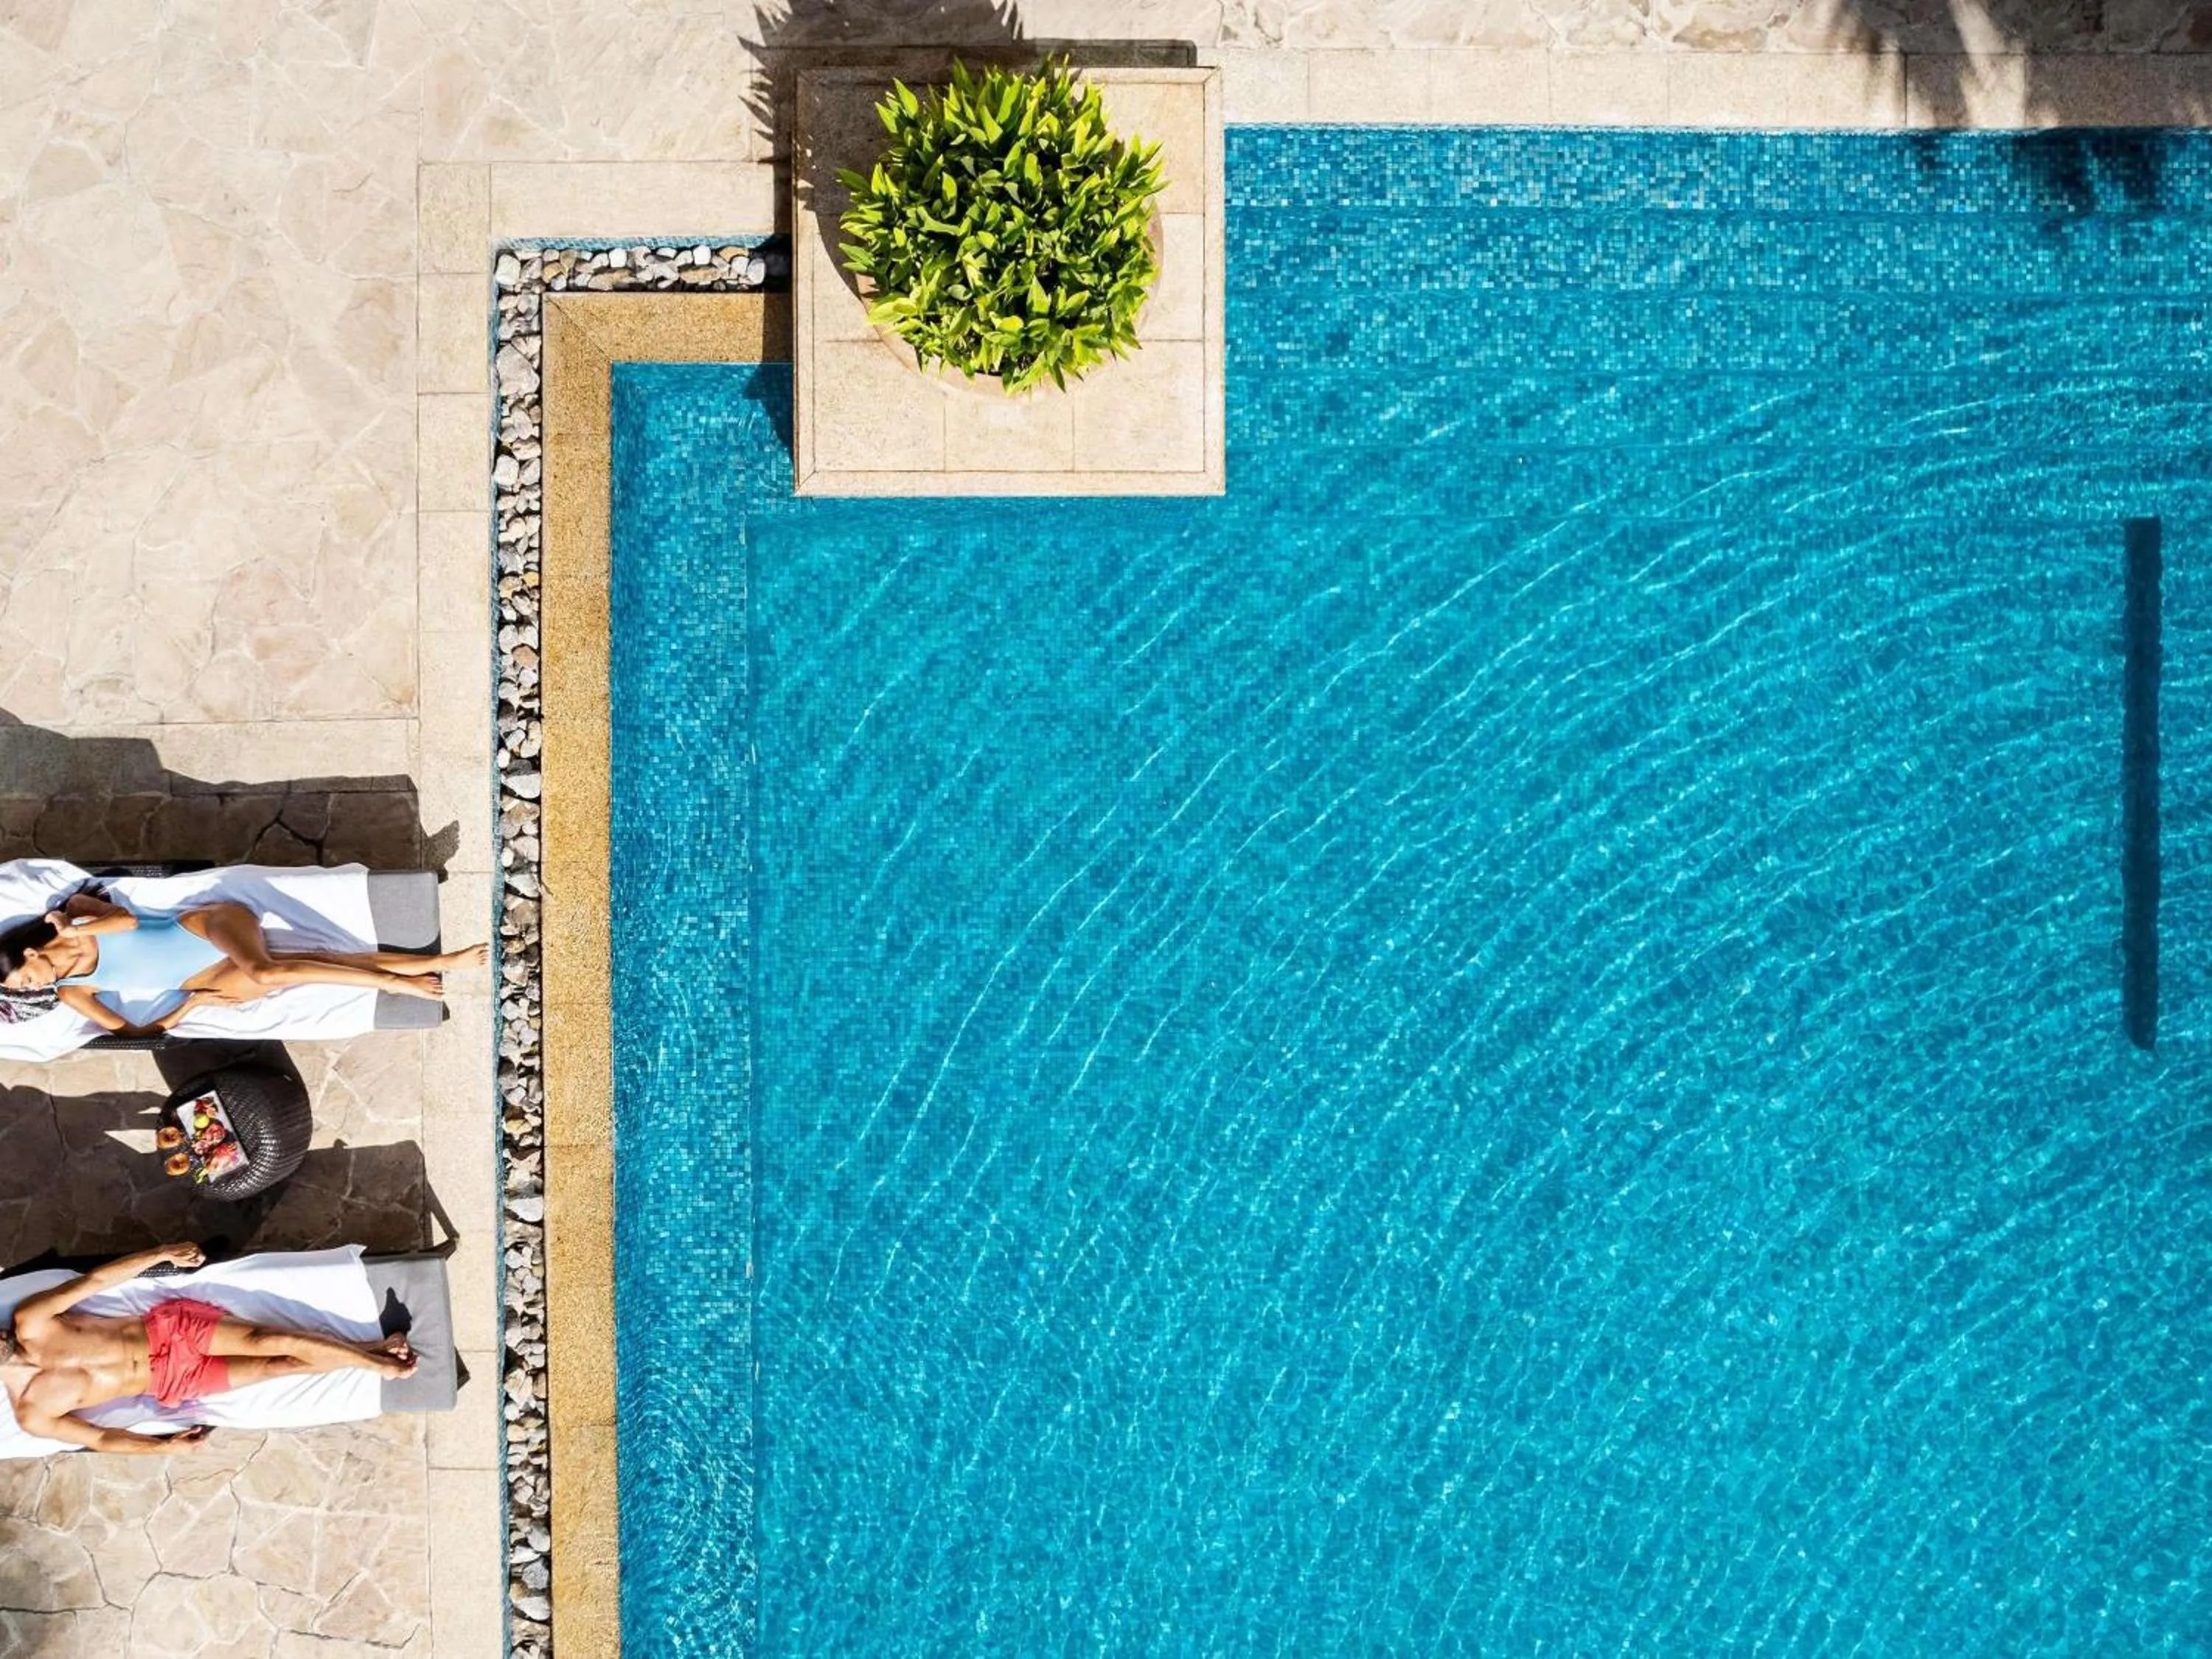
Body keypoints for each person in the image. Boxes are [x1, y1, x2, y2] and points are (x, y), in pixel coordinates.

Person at [0, 1242, 416, 1455]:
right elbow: (102, 1439)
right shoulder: (32, 1414)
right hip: (170, 1379)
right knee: (279, 1365)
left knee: (268, 1340)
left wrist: (160, 1255)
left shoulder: (30, 1321)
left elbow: (93, 1283)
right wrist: (163, 1446)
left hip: (170, 1332)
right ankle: (374, 1347)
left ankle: (376, 1364)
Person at [0, 889, 488, 1040]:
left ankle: (391, 983)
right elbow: (131, 1033)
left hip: (209, 925)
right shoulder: (71, 992)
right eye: (23, 990)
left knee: (268, 972)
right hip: (205, 978)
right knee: (316, 961)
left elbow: (126, 922)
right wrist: (187, 1009)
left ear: (30, 953)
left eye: (24, 980)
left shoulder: (77, 914)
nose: (32, 987)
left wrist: (75, 928)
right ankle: (440, 960)